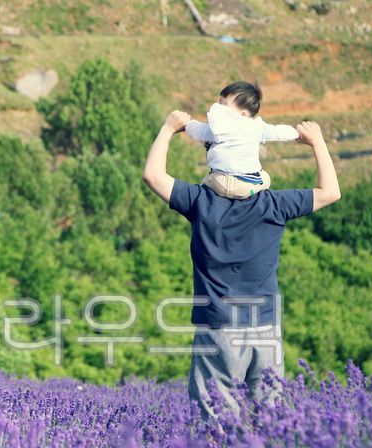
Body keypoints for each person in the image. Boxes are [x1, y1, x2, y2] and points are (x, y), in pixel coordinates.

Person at [141, 110, 341, 419]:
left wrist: (169, 128)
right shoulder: (274, 205)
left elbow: (152, 176)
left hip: (219, 326)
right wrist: (316, 142)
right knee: (270, 422)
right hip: (265, 328)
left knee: (217, 427)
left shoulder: (200, 202)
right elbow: (331, 192)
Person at [185, 81, 299, 199]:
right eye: (219, 102)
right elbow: (278, 132)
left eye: (224, 104)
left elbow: (198, 131)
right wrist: (297, 132)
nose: (219, 107)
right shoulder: (257, 127)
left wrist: (187, 124)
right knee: (265, 178)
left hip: (219, 183)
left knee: (205, 183)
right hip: (247, 186)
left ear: (243, 114)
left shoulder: (218, 128)